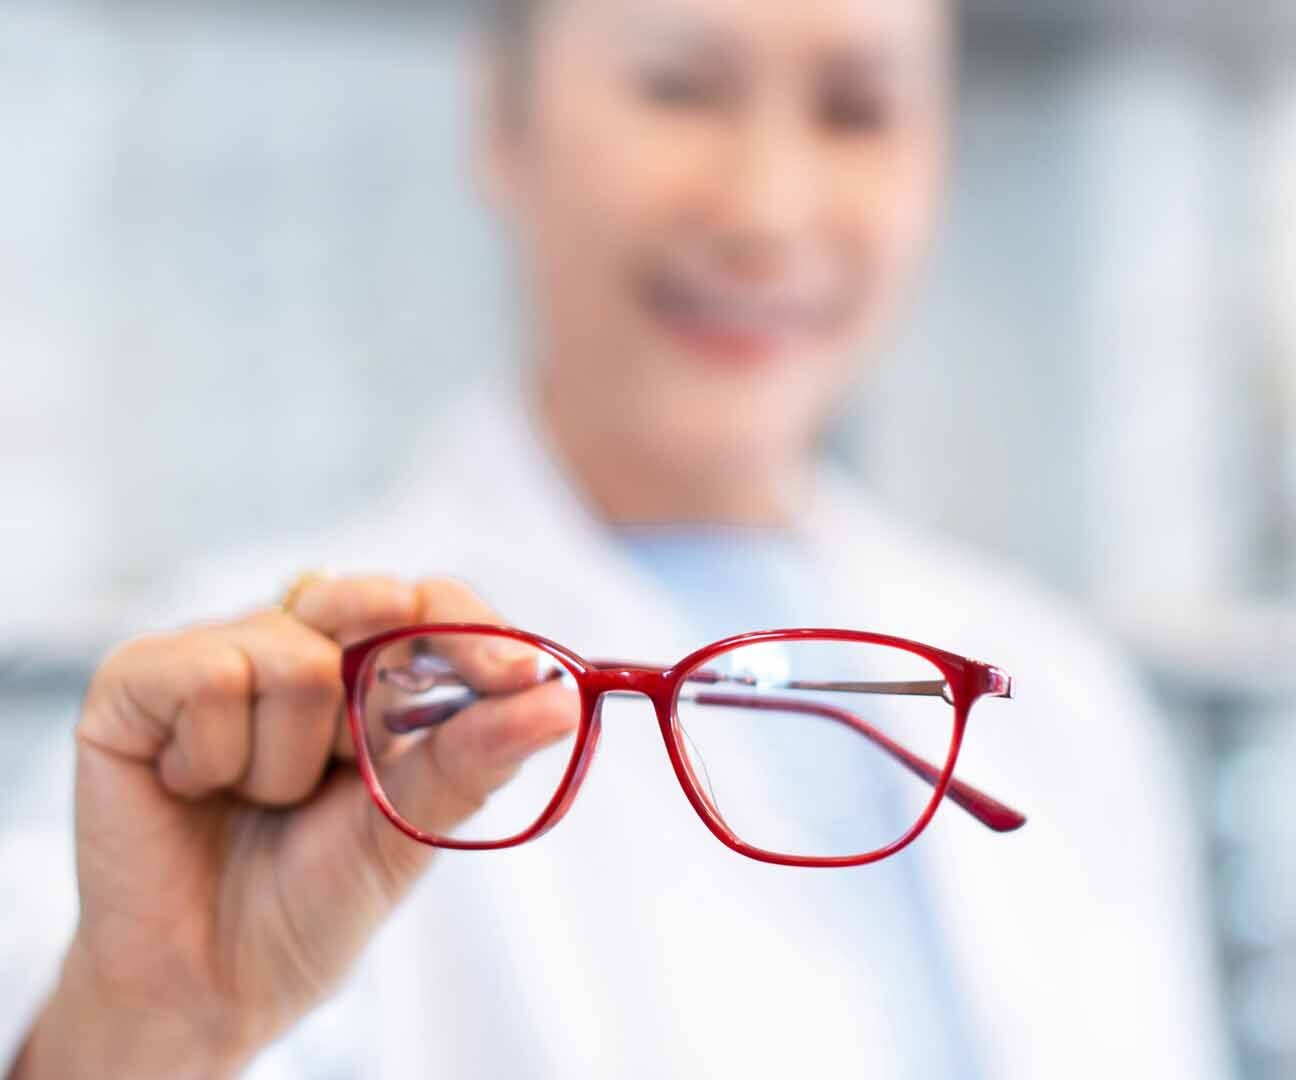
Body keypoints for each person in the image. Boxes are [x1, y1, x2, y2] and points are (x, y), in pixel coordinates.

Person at [6, 0, 1230, 1077]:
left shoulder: (1059, 703)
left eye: (859, 110)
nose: (766, 206)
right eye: (678, 86)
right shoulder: (263, 712)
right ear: (504, 119)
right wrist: (155, 1033)